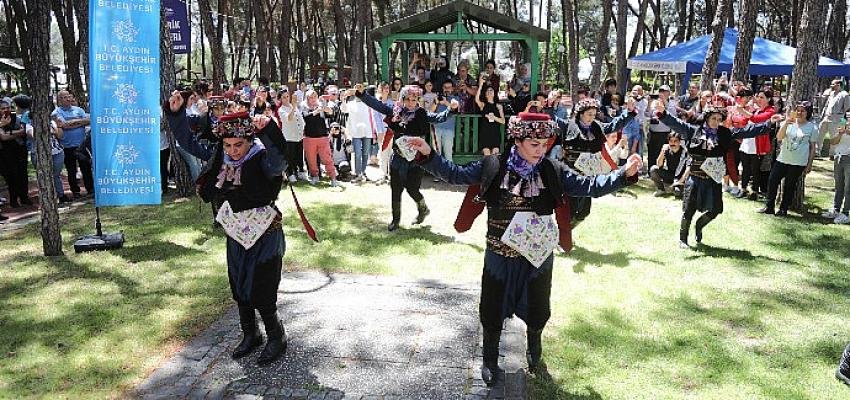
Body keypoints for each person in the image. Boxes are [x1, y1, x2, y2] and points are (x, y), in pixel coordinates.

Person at [406, 112, 642, 385]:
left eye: (545, 144)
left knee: (538, 306)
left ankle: (534, 349)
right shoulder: (493, 166)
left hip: (538, 256)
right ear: (517, 139)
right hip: (499, 253)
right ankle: (490, 359)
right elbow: (454, 174)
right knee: (492, 308)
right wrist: (427, 154)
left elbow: (588, 185)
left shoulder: (552, 169)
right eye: (534, 145)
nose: (541, 151)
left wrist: (623, 175)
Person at [164, 90, 289, 367]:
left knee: (263, 288)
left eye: (238, 145)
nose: (233, 151)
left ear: (250, 141)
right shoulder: (220, 155)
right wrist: (175, 114)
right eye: (229, 145)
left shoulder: (262, 158)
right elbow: (188, 141)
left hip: (265, 235)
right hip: (236, 234)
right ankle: (250, 334)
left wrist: (268, 130)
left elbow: (281, 160)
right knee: (239, 285)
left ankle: (276, 336)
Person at [654, 101, 774, 248]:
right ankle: (683, 239)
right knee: (689, 209)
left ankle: (699, 225)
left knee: (716, 209)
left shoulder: (725, 133)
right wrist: (662, 113)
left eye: (719, 119)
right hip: (695, 178)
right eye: (713, 119)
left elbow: (746, 131)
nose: (716, 122)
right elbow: (676, 124)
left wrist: (768, 124)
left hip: (713, 178)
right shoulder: (693, 131)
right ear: (706, 118)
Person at [355, 84, 457, 231]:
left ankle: (423, 209)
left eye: (414, 99)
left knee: (412, 189)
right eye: (407, 99)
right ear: (402, 99)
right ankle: (395, 220)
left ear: (418, 100)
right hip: (398, 157)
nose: (410, 102)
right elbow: (377, 105)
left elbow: (439, 118)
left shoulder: (422, 113)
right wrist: (362, 94)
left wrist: (451, 109)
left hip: (417, 159)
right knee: (396, 189)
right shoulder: (395, 112)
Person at [550, 97, 638, 226]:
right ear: (581, 113)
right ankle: (563, 236)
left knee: (584, 212)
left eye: (594, 114)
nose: (592, 117)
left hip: (589, 173)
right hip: (571, 173)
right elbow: (552, 118)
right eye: (589, 114)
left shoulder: (597, 127)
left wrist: (629, 112)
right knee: (570, 210)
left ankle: (568, 230)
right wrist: (549, 105)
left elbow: (614, 125)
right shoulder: (568, 125)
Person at [758, 102, 817, 216]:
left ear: (808, 113)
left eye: (803, 111)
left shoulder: (812, 127)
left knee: (789, 186)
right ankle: (769, 207)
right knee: (772, 181)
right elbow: (779, 138)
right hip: (783, 159)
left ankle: (783, 209)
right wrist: (786, 124)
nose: (800, 113)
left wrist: (809, 164)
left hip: (798, 162)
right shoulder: (788, 123)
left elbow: (812, 147)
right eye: (798, 110)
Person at [51, 90, 92, 199]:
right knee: (71, 170)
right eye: (65, 97)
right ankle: (75, 191)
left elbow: (88, 121)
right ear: (59, 100)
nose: (68, 99)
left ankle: (90, 189)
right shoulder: (56, 112)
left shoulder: (79, 110)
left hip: (82, 145)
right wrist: (79, 122)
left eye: (69, 96)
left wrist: (70, 123)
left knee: (86, 167)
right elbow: (63, 125)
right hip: (67, 146)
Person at [737, 89, 776, 200]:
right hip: (747, 143)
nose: (759, 99)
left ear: (769, 99)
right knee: (745, 168)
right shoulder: (756, 110)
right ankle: (743, 189)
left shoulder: (770, 111)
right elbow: (745, 122)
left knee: (755, 169)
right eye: (758, 97)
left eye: (762, 97)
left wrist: (742, 110)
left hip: (758, 145)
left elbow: (757, 120)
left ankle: (754, 191)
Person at [300, 89, 339, 186]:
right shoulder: (304, 107)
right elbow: (306, 118)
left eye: (314, 97)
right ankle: (314, 176)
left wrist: (325, 108)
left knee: (327, 159)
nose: (313, 99)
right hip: (309, 138)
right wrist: (316, 111)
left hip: (323, 137)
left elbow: (331, 114)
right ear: (307, 98)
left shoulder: (320, 106)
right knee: (311, 160)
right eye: (310, 97)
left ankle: (333, 177)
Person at [0, 98, 30, 207]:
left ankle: (24, 197)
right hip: (5, 152)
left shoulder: (15, 117)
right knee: (12, 176)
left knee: (23, 174)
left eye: (8, 108)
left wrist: (10, 133)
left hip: (20, 149)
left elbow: (23, 131)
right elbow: (3, 137)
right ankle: (14, 200)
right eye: (3, 108)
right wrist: (7, 131)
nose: (6, 110)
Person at [341, 89, 373, 182]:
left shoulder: (368, 103)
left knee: (366, 153)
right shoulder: (351, 103)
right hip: (356, 132)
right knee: (358, 153)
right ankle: (358, 173)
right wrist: (344, 99)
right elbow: (343, 109)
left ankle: (363, 172)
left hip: (367, 131)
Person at [276, 89, 307, 183]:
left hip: (298, 135)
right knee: (290, 157)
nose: (286, 99)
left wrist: (302, 130)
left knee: (299, 155)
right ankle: (290, 174)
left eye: (287, 96)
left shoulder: (293, 106)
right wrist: (293, 107)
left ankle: (300, 171)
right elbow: (289, 119)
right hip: (289, 137)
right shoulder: (281, 110)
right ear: (280, 99)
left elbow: (300, 119)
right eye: (284, 97)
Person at [823, 120, 850, 224]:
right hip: (839, 157)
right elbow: (832, 142)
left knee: (848, 187)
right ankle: (836, 209)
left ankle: (846, 213)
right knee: (839, 186)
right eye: (847, 117)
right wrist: (840, 134)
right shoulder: (842, 127)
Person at [646, 85, 677, 171]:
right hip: (654, 132)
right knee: (652, 153)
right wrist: (649, 103)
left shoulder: (672, 103)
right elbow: (647, 114)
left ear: (669, 93)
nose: (662, 93)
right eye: (661, 91)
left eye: (664, 91)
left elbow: (673, 115)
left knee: (664, 153)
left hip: (665, 133)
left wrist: (664, 101)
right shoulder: (654, 102)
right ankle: (650, 171)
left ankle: (660, 171)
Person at [649, 132, 689, 197]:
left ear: (680, 142)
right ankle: (661, 190)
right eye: (671, 141)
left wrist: (679, 181)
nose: (673, 143)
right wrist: (662, 152)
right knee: (653, 169)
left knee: (677, 193)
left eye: (675, 141)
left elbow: (688, 170)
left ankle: (676, 188)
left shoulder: (685, 152)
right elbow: (659, 165)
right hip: (670, 175)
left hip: (681, 178)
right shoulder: (666, 149)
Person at [475, 76, 505, 155]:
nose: (489, 91)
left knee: (495, 154)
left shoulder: (498, 106)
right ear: (485, 94)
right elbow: (477, 99)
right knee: (487, 154)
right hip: (485, 134)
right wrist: (481, 85)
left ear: (494, 93)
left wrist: (493, 117)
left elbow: (503, 121)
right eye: (487, 90)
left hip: (495, 134)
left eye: (491, 90)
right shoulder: (483, 105)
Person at [819, 80, 850, 156]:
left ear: (838, 85)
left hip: (836, 119)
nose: (831, 86)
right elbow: (826, 104)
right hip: (826, 117)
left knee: (833, 136)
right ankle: (817, 151)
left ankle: (832, 154)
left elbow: (847, 106)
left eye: (833, 84)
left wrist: (839, 113)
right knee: (820, 133)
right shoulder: (831, 93)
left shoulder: (844, 94)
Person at [433, 80, 459, 163]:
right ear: (442, 88)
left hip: (449, 129)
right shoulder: (437, 98)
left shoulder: (455, 98)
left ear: (452, 89)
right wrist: (436, 102)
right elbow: (430, 111)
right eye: (445, 87)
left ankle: (449, 174)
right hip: (436, 128)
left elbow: (454, 109)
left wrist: (445, 102)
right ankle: (437, 174)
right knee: (437, 154)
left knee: (448, 154)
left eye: (449, 87)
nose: (447, 89)